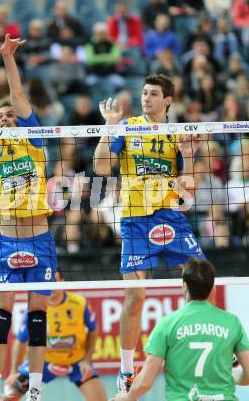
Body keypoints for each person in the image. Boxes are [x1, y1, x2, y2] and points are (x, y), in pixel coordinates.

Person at [93, 74, 205, 394]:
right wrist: (109, 127)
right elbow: (101, 168)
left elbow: (188, 187)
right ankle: (127, 369)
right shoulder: (128, 127)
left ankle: (210, 351)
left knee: (201, 279)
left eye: (153, 94)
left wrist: (190, 154)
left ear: (167, 100)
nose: (146, 98)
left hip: (170, 216)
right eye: (144, 93)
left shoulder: (175, 132)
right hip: (136, 219)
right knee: (135, 296)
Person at [0, 34, 57, 401]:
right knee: (1, 316)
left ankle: (33, 391)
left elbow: (18, 97)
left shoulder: (34, 141)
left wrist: (8, 58)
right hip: (6, 240)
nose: (5, 117)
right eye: (1, 116)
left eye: (11, 115)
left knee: (38, 318)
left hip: (39, 238)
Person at [113, 258, 249, 400]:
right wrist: (229, 376)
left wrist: (126, 398)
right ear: (212, 287)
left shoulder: (167, 324)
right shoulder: (232, 322)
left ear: (184, 286)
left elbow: (144, 383)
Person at [4, 269, 107, 401]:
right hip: (42, 362)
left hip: (77, 362)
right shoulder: (35, 307)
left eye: (54, 280)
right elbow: (21, 340)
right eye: (47, 281)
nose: (50, 284)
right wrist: (13, 372)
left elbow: (93, 331)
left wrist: (87, 361)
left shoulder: (80, 303)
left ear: (62, 282)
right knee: (8, 397)